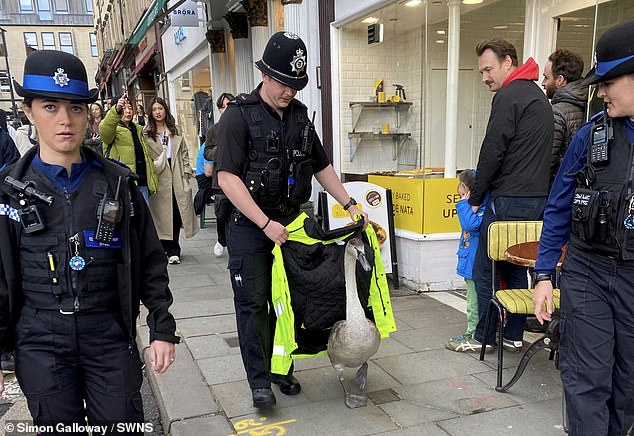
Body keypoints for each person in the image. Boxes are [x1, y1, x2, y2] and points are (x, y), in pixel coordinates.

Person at [0, 49, 179, 432]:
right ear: (28, 112)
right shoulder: (8, 193)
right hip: (39, 339)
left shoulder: (118, 185)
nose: (65, 120)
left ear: (88, 115)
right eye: (50, 107)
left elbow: (151, 260)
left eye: (76, 109)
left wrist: (162, 328)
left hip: (108, 334)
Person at [215, 31, 368, 408]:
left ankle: (282, 368)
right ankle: (259, 381)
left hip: (290, 224)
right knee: (253, 303)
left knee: (289, 303)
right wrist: (265, 224)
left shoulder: (300, 117)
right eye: (284, 83)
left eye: (295, 85)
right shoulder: (238, 115)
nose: (289, 92)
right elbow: (227, 178)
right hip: (250, 227)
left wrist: (349, 203)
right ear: (265, 75)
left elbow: (321, 166)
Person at [533, 20, 634, 436]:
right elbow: (558, 206)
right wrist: (542, 275)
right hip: (587, 272)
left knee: (627, 387)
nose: (601, 91)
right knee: (585, 382)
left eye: (609, 81)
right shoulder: (590, 136)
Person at [450, 38, 553, 354]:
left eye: (488, 69)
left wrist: (476, 197)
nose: (485, 78)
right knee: (513, 267)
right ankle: (512, 333)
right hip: (536, 198)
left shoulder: (510, 95)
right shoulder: (535, 95)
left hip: (507, 198)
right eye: (481, 72)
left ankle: (483, 336)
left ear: (509, 61)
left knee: (486, 270)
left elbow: (493, 150)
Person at [144, 97, 198, 265]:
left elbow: (184, 153)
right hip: (159, 177)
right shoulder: (146, 134)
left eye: (160, 108)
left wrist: (187, 172)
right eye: (154, 109)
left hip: (176, 176)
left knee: (175, 213)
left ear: (165, 110)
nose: (158, 112)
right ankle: (163, 248)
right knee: (160, 216)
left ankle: (174, 250)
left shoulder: (174, 130)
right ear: (150, 113)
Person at [446, 170, 489, 350]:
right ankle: (474, 330)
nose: (460, 197)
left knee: (473, 302)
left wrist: (464, 204)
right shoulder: (476, 209)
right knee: (473, 300)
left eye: (463, 193)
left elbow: (469, 225)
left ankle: (473, 332)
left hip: (474, 264)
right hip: (469, 262)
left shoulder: (480, 210)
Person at [99, 93, 158, 204]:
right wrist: (116, 109)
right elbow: (105, 129)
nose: (128, 111)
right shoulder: (112, 129)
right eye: (124, 108)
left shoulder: (138, 129)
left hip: (142, 181)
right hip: (122, 184)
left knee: (143, 219)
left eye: (130, 108)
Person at [542, 49, 587, 183]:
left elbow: (546, 163)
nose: (543, 83)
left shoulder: (556, 112)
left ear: (560, 80)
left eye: (546, 77)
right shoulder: (589, 103)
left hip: (560, 187)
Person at [203, 92, 235, 257]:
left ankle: (236, 242)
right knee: (221, 212)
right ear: (219, 109)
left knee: (238, 211)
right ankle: (221, 239)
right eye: (224, 106)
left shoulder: (241, 126)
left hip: (239, 177)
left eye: (230, 105)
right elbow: (206, 153)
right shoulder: (213, 130)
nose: (227, 109)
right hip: (220, 178)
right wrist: (219, 149)